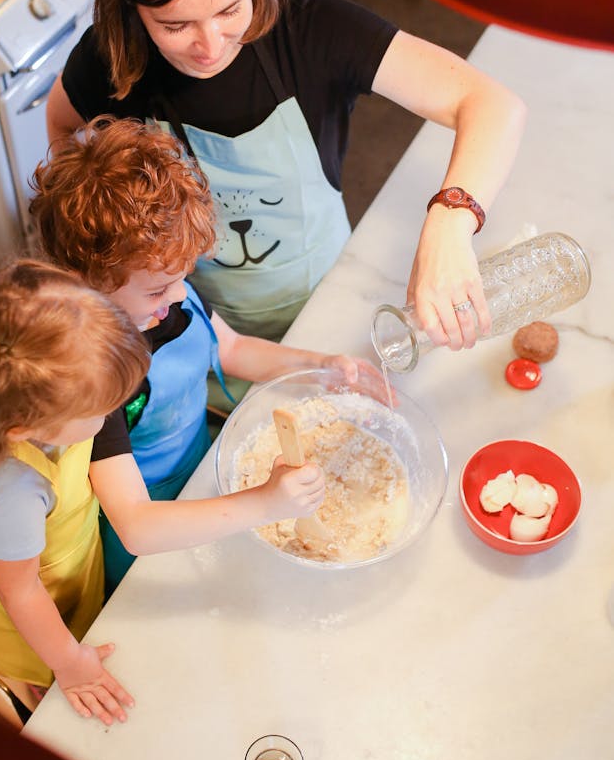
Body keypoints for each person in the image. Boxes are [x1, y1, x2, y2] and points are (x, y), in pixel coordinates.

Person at [46, 0, 527, 347]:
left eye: (230, 8)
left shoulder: (311, 30)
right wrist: (100, 251)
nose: (211, 46)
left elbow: (492, 105)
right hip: (196, 327)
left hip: (328, 300)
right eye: (175, 26)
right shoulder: (113, 57)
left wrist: (449, 225)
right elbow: (61, 121)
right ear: (131, 9)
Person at [0, 258, 326, 724]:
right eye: (103, 411)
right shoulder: (5, 494)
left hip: (72, 558)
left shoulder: (32, 395)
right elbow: (23, 594)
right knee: (54, 675)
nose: (111, 419)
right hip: (38, 599)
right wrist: (69, 665)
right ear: (23, 428)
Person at [29, 116, 384, 593]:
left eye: (184, 276)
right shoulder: (96, 377)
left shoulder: (165, 300)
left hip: (206, 472)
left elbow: (232, 349)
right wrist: (265, 504)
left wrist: (319, 366)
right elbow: (136, 525)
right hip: (156, 532)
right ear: (87, 282)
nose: (178, 295)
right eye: (158, 288)